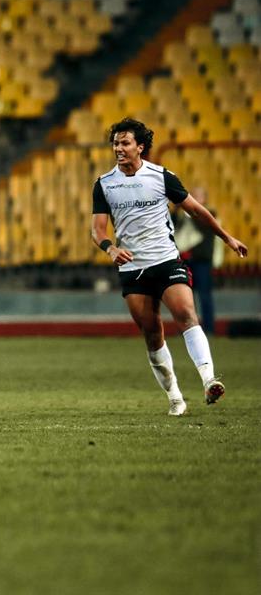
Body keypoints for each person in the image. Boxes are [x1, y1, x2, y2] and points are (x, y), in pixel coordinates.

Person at [91, 118, 247, 416]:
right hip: (133, 268)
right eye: (115, 143)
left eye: (125, 143)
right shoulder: (104, 184)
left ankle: (209, 380)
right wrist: (110, 248)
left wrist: (227, 238)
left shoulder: (162, 177)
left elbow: (196, 211)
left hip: (165, 260)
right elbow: (97, 229)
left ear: (140, 147)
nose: (119, 148)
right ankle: (175, 396)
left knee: (187, 314)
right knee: (152, 334)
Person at [174, 186, 219, 335]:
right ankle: (188, 329)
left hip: (202, 261)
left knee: (205, 296)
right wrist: (175, 210)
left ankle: (209, 329)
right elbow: (173, 227)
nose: (195, 198)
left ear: (205, 199)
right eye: (193, 196)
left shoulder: (209, 213)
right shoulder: (184, 215)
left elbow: (201, 226)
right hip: (186, 261)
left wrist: (188, 209)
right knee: (186, 299)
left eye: (198, 196)